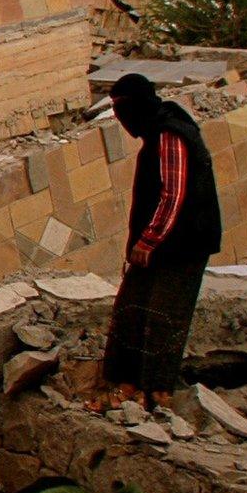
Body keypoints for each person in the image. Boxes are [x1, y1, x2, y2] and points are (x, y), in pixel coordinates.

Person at [94, 73, 224, 410]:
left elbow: (173, 195)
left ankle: (155, 392)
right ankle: (127, 383)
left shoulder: (169, 134)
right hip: (164, 244)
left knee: (164, 318)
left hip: (182, 246)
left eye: (121, 108)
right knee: (132, 310)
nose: (121, 116)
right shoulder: (157, 130)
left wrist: (147, 242)